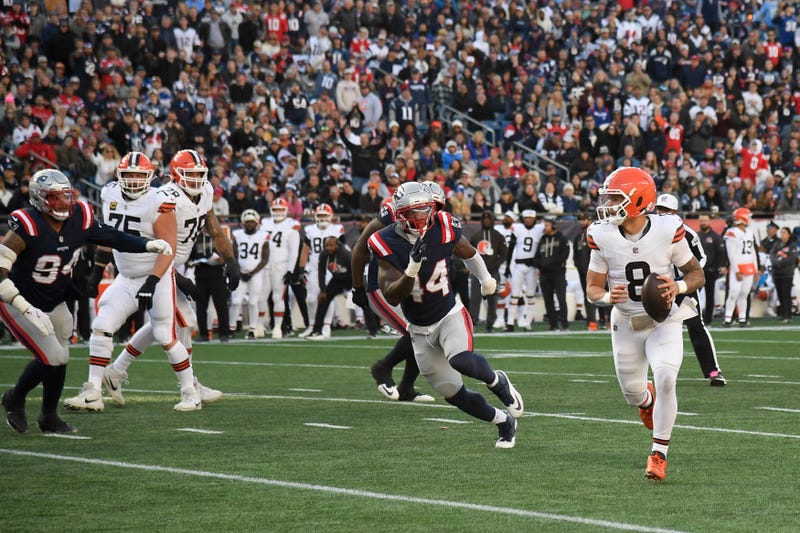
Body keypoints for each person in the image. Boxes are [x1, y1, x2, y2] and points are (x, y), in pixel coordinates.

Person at [1, 169, 173, 434]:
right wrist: (23, 306)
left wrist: (147, 245)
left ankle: (36, 409)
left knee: (58, 356)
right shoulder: (26, 225)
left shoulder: (80, 216)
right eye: (54, 197)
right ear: (39, 199)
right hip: (18, 300)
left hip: (54, 297)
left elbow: (114, 237)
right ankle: (33, 407)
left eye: (65, 196)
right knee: (54, 356)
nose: (62, 203)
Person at [368, 182, 524, 448]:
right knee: (452, 393)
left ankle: (497, 381)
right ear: (401, 214)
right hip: (418, 328)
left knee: (461, 359)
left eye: (425, 209)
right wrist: (412, 268)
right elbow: (393, 294)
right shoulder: (384, 241)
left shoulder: (443, 225)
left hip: (449, 313)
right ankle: (503, 423)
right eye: (414, 212)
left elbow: (468, 252)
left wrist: (486, 279)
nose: (422, 217)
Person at [586, 167, 705, 480]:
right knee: (633, 393)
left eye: (615, 197)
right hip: (625, 321)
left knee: (666, 377)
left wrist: (676, 287)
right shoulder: (601, 233)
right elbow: (592, 289)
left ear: (638, 200)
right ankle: (646, 400)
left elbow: (696, 274)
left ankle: (659, 453)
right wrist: (606, 297)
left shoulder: (667, 229)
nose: (608, 203)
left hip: (663, 319)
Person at [99, 149, 241, 410]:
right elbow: (160, 242)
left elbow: (214, 228)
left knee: (167, 325)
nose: (197, 179)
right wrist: (176, 276)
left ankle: (117, 371)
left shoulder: (205, 192)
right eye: (191, 174)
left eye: (200, 174)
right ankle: (189, 386)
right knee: (180, 324)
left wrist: (230, 260)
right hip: (157, 266)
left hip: (175, 265)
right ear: (176, 175)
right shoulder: (166, 198)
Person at [64, 152, 204, 412]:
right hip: (126, 276)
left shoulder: (160, 201)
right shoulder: (110, 194)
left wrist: (152, 282)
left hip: (157, 275)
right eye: (128, 175)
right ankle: (94, 390)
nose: (133, 181)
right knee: (102, 325)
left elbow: (169, 248)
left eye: (139, 176)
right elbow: (109, 236)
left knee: (164, 333)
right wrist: (97, 270)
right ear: (119, 176)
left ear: (149, 177)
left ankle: (189, 392)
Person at [350, 183, 439, 403]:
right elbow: (361, 246)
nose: (428, 212)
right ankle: (383, 367)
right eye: (425, 206)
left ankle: (407, 388)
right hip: (383, 286)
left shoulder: (434, 220)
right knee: (420, 333)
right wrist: (357, 286)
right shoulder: (392, 214)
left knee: (424, 333)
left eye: (433, 207)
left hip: (409, 286)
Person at [655, 195, 727, 386]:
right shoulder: (649, 230)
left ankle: (713, 371)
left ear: (675, 212)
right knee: (652, 328)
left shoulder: (686, 233)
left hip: (682, 287)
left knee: (695, 326)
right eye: (659, 209)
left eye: (666, 210)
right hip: (658, 288)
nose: (662, 214)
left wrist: (684, 277)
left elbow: (701, 259)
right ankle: (650, 374)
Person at [299, 204, 344, 337]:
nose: (323, 218)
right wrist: (301, 268)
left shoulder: (337, 229)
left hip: (330, 268)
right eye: (320, 215)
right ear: (316, 217)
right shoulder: (310, 230)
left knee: (327, 298)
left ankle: (326, 326)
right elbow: (305, 250)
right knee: (311, 299)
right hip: (313, 268)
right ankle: (312, 326)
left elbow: (341, 250)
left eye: (325, 215)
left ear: (330, 216)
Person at [259, 199, 301, 339]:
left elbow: (294, 250)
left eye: (279, 209)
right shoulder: (265, 222)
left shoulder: (292, 225)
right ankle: (258, 326)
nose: (277, 212)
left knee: (278, 297)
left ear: (286, 210)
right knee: (261, 297)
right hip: (265, 265)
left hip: (281, 265)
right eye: (275, 209)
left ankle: (277, 327)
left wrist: (290, 269)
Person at [229, 209, 269, 339]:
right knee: (236, 301)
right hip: (240, 272)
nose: (249, 224)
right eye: (247, 222)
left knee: (253, 302)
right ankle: (231, 328)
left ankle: (252, 329)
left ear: (257, 223)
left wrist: (251, 273)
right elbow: (233, 255)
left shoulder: (263, 236)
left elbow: (264, 259)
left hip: (256, 274)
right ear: (242, 223)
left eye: (252, 222)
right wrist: (240, 270)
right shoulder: (238, 235)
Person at [189, 225, 231, 342]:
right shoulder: (196, 238)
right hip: (201, 275)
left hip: (217, 275)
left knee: (221, 305)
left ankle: (224, 334)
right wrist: (192, 263)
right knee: (201, 306)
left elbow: (228, 254)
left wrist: (222, 260)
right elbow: (190, 258)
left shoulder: (220, 238)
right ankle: (203, 334)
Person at [468, 211, 507, 332]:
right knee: (475, 299)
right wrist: (474, 268)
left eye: (488, 218)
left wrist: (494, 266)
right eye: (484, 219)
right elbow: (469, 253)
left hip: (493, 273)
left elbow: (504, 254)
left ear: (492, 220)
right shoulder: (476, 236)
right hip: (477, 274)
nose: (486, 221)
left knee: (493, 300)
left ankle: (490, 324)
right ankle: (473, 323)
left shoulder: (498, 236)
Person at [307, 237, 353, 339]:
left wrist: (355, 288)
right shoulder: (324, 254)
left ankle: (373, 329)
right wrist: (323, 290)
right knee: (323, 300)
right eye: (327, 245)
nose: (328, 248)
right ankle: (316, 331)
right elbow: (321, 272)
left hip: (351, 279)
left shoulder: (346, 254)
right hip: (336, 279)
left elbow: (354, 270)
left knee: (363, 302)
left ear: (337, 245)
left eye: (331, 245)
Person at [507, 210, 544, 331]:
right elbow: (511, 248)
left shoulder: (540, 229)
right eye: (526, 217)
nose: (528, 219)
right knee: (515, 294)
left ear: (534, 218)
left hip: (533, 266)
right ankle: (510, 323)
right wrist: (508, 266)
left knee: (530, 295)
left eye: (530, 217)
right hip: (519, 265)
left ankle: (527, 323)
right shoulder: (517, 228)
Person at [723, 208, 759, 327]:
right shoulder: (731, 232)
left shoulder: (749, 232)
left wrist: (755, 269)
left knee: (744, 294)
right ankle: (728, 319)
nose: (749, 219)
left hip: (748, 267)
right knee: (733, 293)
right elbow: (731, 255)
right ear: (742, 218)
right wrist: (737, 270)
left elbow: (753, 252)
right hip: (737, 268)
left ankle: (742, 319)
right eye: (748, 216)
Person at [534, 216, 570, 331]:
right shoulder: (543, 239)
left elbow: (564, 255)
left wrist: (549, 263)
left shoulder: (562, 238)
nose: (544, 227)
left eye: (547, 225)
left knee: (561, 298)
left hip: (558, 273)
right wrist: (540, 264)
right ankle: (553, 324)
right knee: (548, 300)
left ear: (553, 226)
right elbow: (537, 256)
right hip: (544, 274)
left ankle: (564, 323)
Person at [696, 213, 726, 325]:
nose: (703, 222)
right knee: (695, 296)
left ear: (709, 222)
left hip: (710, 271)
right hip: (698, 271)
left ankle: (708, 319)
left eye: (705, 220)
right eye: (701, 220)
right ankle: (695, 318)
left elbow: (721, 254)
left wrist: (715, 268)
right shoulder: (696, 236)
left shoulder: (715, 237)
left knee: (710, 296)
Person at [572, 212, 599, 330]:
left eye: (584, 219)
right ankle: (591, 321)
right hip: (583, 272)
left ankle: (606, 319)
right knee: (588, 296)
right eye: (580, 220)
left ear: (590, 220)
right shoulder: (578, 236)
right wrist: (579, 267)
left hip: (596, 271)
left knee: (602, 293)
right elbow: (576, 255)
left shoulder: (596, 234)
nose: (581, 222)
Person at [769, 227, 797, 323]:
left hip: (787, 273)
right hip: (777, 273)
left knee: (786, 294)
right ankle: (782, 314)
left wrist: (779, 264)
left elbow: (791, 259)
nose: (782, 234)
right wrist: (775, 262)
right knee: (780, 294)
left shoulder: (792, 245)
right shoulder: (777, 244)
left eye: (784, 233)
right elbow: (772, 253)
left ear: (789, 235)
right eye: (781, 233)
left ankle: (788, 315)